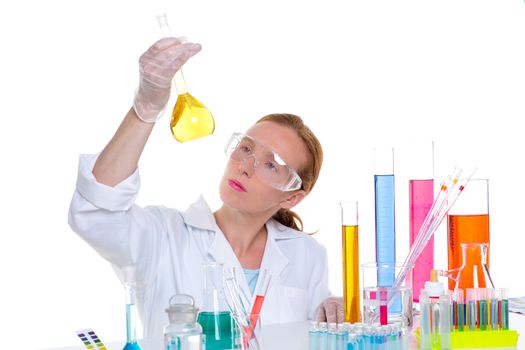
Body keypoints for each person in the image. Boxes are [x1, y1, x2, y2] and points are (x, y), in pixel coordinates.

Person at [68, 36, 343, 338]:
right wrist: (144, 110)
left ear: (292, 197)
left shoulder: (307, 255)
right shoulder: (165, 237)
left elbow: (322, 337)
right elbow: (97, 210)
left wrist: (336, 311)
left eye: (271, 164)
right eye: (247, 148)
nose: (245, 166)